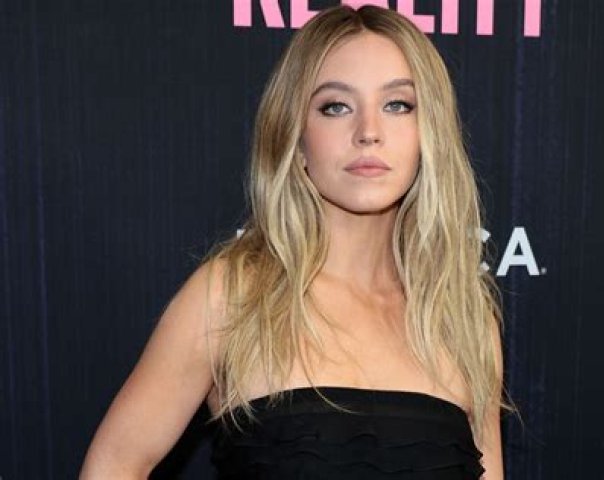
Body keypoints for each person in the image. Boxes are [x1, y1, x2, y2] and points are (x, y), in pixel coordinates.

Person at [80, 5, 505, 479]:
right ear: (297, 139)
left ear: (430, 135)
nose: (368, 132)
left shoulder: (461, 318)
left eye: (398, 105)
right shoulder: (231, 299)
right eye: (335, 107)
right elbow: (113, 465)